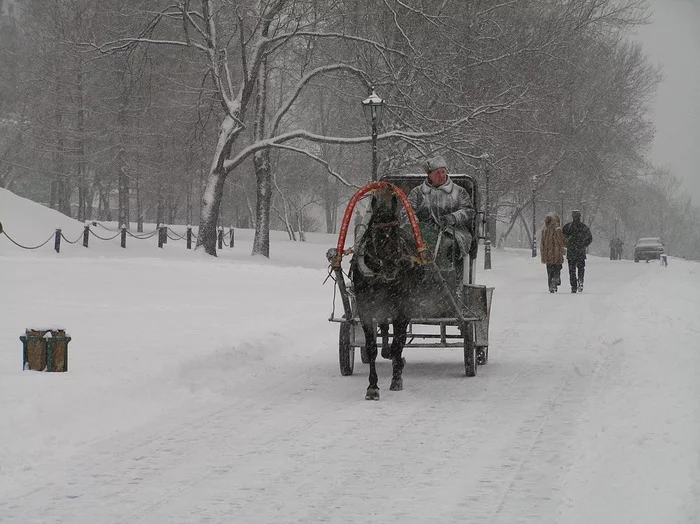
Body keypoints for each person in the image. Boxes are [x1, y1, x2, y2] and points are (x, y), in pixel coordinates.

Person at [401, 155, 475, 289]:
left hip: (453, 232)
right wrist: (415, 225)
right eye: (437, 173)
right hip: (422, 234)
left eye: (443, 172)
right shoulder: (417, 193)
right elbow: (407, 211)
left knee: (448, 247)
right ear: (428, 175)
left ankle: (453, 284)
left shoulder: (459, 192)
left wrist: (452, 218)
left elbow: (468, 211)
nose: (441, 175)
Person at [562, 209, 593, 293]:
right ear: (580, 216)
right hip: (580, 251)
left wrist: (567, 245)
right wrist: (583, 245)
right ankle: (580, 280)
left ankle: (573, 286)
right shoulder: (584, 227)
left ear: (572, 216)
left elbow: (562, 238)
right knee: (581, 268)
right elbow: (590, 238)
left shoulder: (568, 227)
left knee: (571, 270)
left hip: (571, 251)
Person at [540, 212, 565, 293]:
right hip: (556, 253)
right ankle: (555, 280)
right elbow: (561, 241)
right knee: (557, 268)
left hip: (547, 254)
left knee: (549, 270)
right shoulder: (557, 229)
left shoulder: (544, 230)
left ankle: (551, 284)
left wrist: (543, 252)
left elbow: (542, 243)